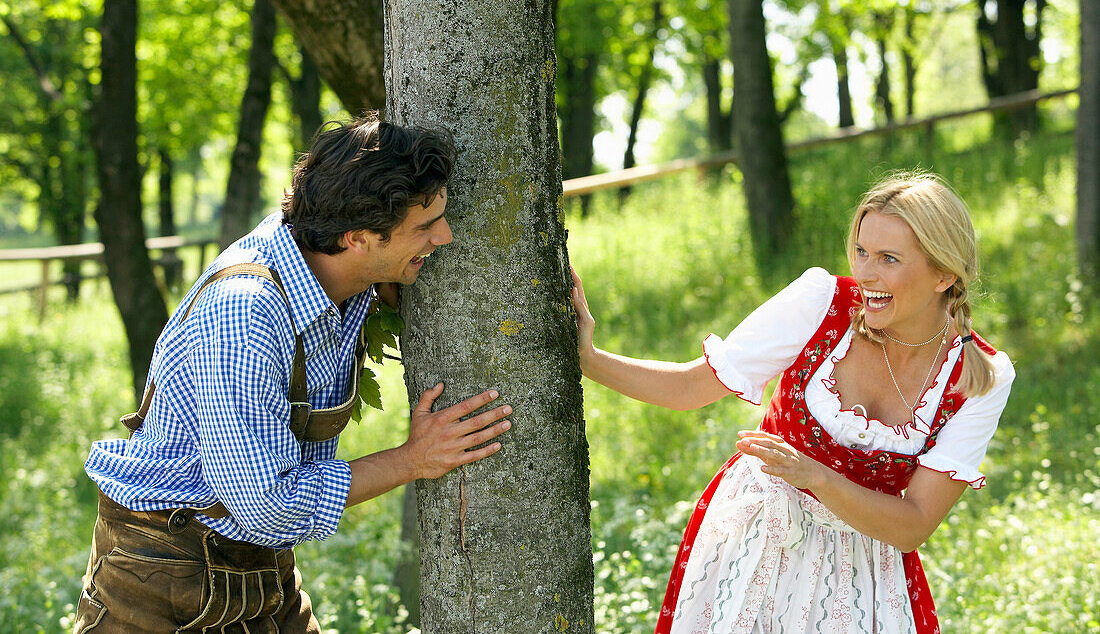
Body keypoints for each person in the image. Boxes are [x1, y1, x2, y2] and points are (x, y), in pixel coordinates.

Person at [73, 115, 513, 633]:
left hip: (260, 566)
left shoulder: (332, 267)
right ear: (356, 237)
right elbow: (266, 503)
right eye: (424, 227)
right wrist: (412, 459)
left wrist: (381, 282)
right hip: (163, 576)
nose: (445, 236)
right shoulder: (246, 316)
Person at [571, 173, 1014, 634]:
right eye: (861, 251)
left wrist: (816, 477)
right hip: (758, 538)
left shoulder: (982, 376)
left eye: (889, 259)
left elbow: (913, 525)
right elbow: (691, 387)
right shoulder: (821, 301)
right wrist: (590, 359)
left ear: (944, 274)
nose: (865, 273)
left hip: (862, 570)